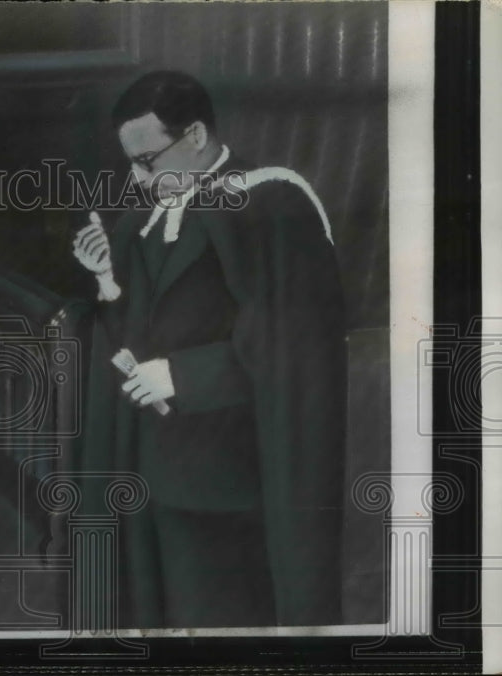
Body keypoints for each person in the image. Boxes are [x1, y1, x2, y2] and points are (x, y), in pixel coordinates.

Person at [72, 71, 347, 628]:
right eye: (132, 163)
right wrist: (107, 281)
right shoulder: (142, 223)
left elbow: (294, 340)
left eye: (148, 160)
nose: (140, 178)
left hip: (238, 476)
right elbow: (137, 335)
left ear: (196, 134)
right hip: (159, 474)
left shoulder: (272, 201)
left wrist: (182, 376)